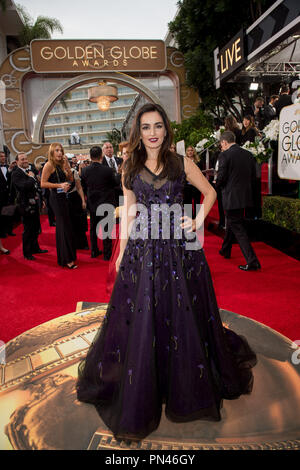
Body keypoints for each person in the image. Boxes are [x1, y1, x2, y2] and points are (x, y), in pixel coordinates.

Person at [76, 103, 257, 441]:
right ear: (138, 132)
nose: (153, 132)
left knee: (182, 312)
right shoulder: (130, 166)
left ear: (166, 128)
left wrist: (198, 220)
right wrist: (122, 253)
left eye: (158, 126)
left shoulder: (181, 163)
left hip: (179, 251)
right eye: (146, 127)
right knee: (146, 316)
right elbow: (129, 215)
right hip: (144, 249)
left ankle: (181, 376)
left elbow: (209, 192)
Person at [216, 131, 261, 271]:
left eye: (221, 145)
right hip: (245, 196)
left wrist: (215, 184)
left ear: (224, 142)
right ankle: (225, 249)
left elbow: (221, 177)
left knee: (238, 227)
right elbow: (254, 177)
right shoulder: (248, 154)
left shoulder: (225, 155)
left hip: (231, 197)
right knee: (233, 222)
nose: (221, 147)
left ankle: (252, 260)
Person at [41, 143, 77, 269]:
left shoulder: (62, 164)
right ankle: (66, 259)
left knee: (67, 226)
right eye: (57, 150)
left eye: (61, 150)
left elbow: (71, 180)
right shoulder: (49, 165)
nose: (60, 153)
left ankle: (69, 256)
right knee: (62, 227)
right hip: (56, 199)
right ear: (52, 152)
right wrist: (59, 186)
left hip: (65, 197)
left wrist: (67, 168)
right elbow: (43, 183)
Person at [80, 146, 120, 260]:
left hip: (93, 203)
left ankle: (94, 251)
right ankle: (107, 254)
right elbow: (115, 184)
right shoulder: (107, 170)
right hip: (106, 202)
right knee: (107, 229)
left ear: (90, 156)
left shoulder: (85, 170)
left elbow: (83, 186)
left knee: (93, 228)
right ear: (101, 156)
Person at [11, 153, 48, 260]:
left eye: (26, 159)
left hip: (35, 203)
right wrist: (31, 178)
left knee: (35, 227)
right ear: (17, 162)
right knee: (28, 229)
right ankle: (27, 253)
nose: (25, 161)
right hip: (24, 205)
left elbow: (35, 187)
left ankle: (35, 248)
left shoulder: (30, 171)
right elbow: (23, 187)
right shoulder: (16, 173)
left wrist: (41, 200)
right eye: (22, 159)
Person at [67, 166, 89, 250]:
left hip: (75, 198)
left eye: (66, 161)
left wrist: (83, 200)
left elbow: (79, 187)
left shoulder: (73, 171)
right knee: (69, 223)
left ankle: (83, 243)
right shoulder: (57, 172)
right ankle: (71, 244)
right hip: (64, 200)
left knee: (80, 221)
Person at [183, 145, 202, 219]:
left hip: (197, 186)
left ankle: (197, 219)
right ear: (186, 152)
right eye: (188, 150)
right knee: (188, 203)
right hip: (187, 186)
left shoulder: (199, 162)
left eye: (191, 150)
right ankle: (189, 218)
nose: (190, 152)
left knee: (197, 203)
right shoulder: (184, 161)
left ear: (194, 152)